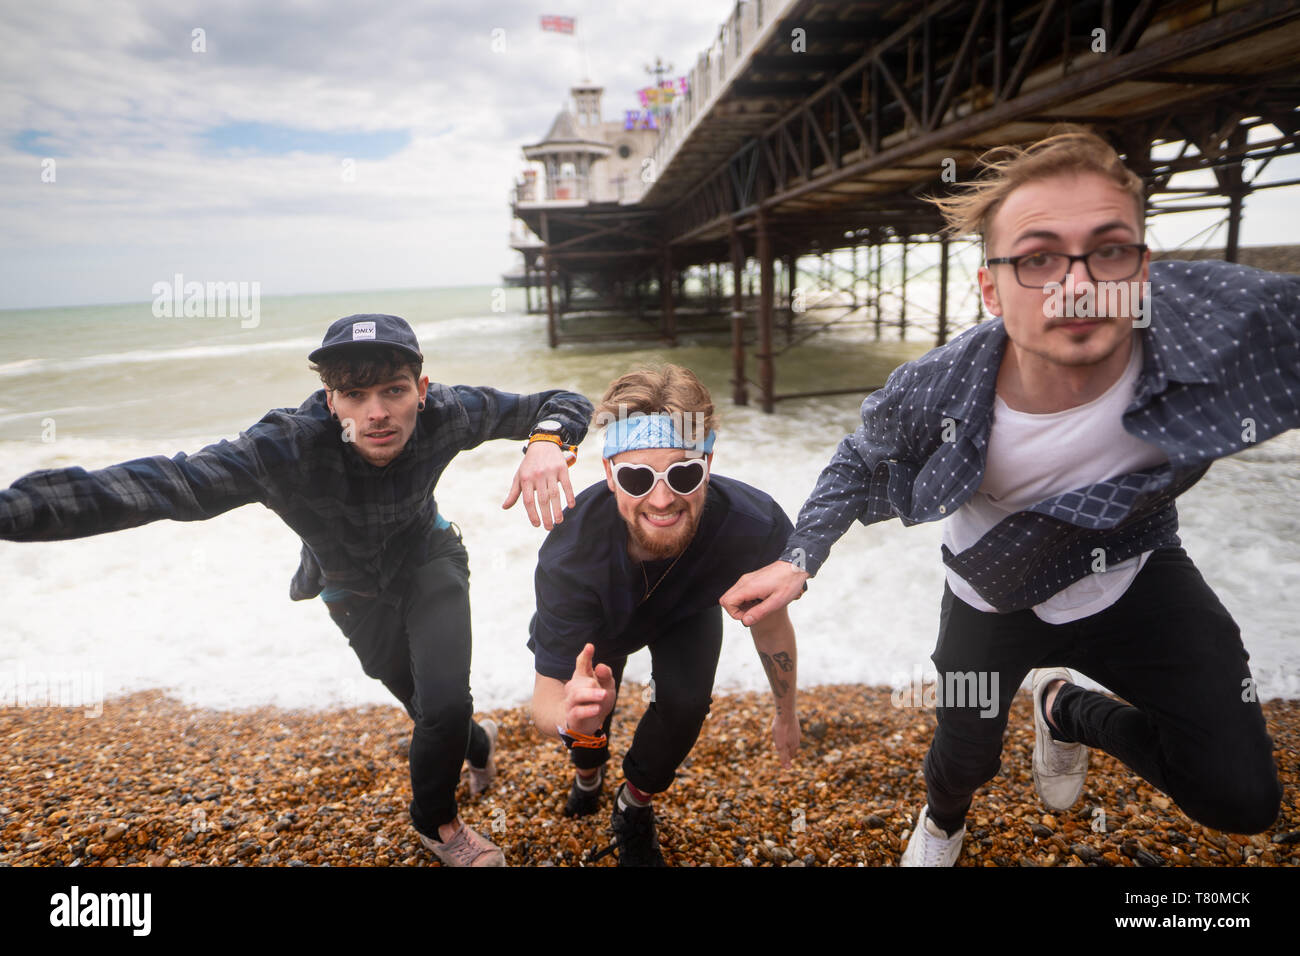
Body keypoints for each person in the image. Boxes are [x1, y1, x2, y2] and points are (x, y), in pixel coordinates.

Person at [720, 128, 1299, 866]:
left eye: (1110, 250)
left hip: (1134, 572)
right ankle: (941, 823)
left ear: (1145, 269)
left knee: (1241, 800)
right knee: (964, 761)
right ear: (990, 287)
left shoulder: (1209, 332)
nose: (1079, 285)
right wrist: (798, 558)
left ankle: (1066, 709)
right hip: (990, 596)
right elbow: (860, 460)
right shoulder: (939, 386)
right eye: (1038, 258)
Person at [0, 313, 593, 867]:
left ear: (422, 387)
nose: (377, 413)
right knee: (426, 708)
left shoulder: (448, 412)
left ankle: (435, 826)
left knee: (442, 702)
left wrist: (547, 442)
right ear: (330, 399)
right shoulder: (285, 445)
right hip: (350, 593)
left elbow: (564, 401)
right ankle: (478, 746)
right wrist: (12, 513)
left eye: (394, 390)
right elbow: (167, 483)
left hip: (429, 560)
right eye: (355, 396)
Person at [527, 365, 801, 866]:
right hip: (601, 625)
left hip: (687, 610)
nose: (661, 498)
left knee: (686, 704)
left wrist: (787, 712)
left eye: (683, 473)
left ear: (708, 463)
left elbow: (771, 625)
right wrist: (569, 717)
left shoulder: (754, 526)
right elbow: (545, 696)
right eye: (636, 477)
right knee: (589, 719)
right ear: (609, 474)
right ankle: (589, 775)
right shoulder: (570, 557)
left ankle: (632, 805)